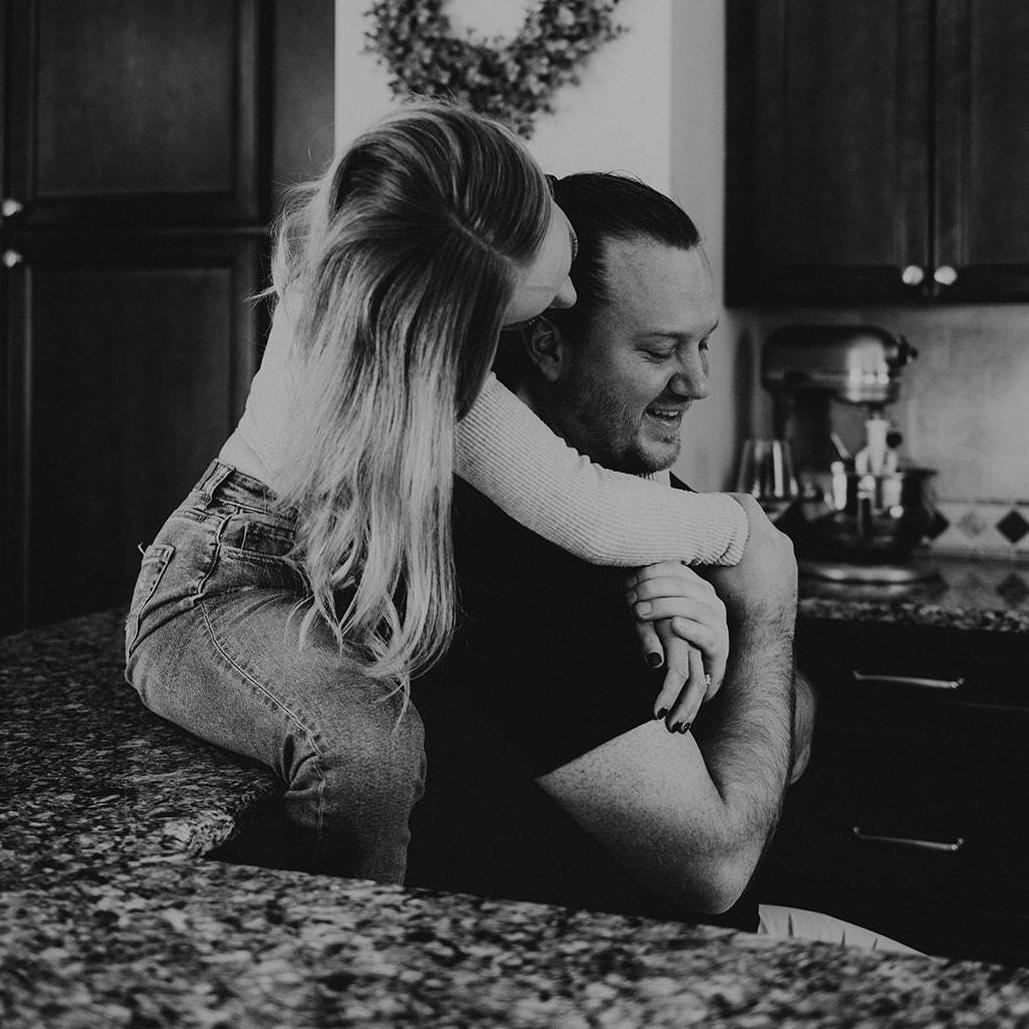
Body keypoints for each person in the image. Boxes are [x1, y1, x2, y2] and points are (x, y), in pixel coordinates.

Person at [123, 102, 761, 887]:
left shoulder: (476, 217)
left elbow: (597, 493)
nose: (565, 300)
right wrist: (744, 531)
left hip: (321, 581)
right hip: (221, 584)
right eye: (528, 307)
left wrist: (660, 562)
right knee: (365, 753)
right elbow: (580, 507)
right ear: (450, 324)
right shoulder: (398, 350)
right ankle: (348, 953)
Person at [407, 172, 917, 953]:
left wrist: (731, 652)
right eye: (657, 350)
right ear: (547, 344)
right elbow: (714, 867)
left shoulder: (643, 497)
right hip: (607, 967)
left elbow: (794, 735)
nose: (699, 381)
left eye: (701, 343)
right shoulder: (510, 558)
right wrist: (766, 606)